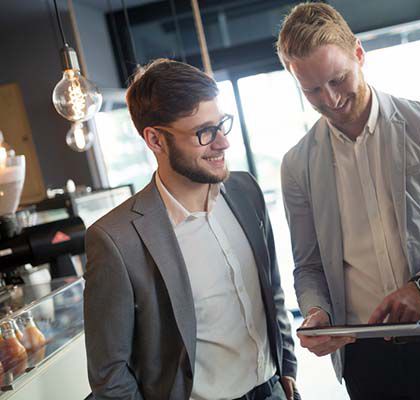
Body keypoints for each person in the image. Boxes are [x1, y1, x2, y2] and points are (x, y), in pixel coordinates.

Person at [277, 3, 420, 399]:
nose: (331, 99)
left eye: (338, 80)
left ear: (358, 54)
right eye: (312, 90)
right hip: (364, 359)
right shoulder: (296, 165)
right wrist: (317, 313)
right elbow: (308, 266)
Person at [84, 59, 298, 400]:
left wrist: (288, 369)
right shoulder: (115, 241)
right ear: (155, 140)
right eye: (204, 132)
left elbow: (272, 290)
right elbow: (110, 373)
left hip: (273, 390)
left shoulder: (246, 192)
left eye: (222, 125)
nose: (223, 143)